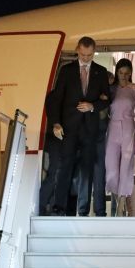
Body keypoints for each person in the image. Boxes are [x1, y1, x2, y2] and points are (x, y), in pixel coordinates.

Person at [48, 37, 110, 216]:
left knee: (86, 169)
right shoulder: (66, 71)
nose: (86, 58)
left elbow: (107, 99)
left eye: (89, 55)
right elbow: (56, 99)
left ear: (94, 52)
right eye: (83, 54)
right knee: (64, 167)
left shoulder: (100, 71)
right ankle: (59, 207)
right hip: (68, 127)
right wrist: (56, 122)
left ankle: (83, 211)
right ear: (77, 50)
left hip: (90, 129)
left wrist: (92, 106)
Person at [105, 59, 135, 217]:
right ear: (117, 72)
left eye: (127, 73)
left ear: (131, 73)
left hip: (129, 127)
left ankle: (121, 206)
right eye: (121, 73)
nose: (123, 76)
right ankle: (120, 203)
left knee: (126, 167)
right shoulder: (111, 89)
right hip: (112, 127)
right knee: (111, 167)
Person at [76, 70, 114, 217]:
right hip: (87, 135)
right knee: (86, 173)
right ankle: (84, 210)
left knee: (99, 173)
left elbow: (107, 114)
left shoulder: (109, 95)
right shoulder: (90, 93)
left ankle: (99, 211)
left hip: (101, 136)